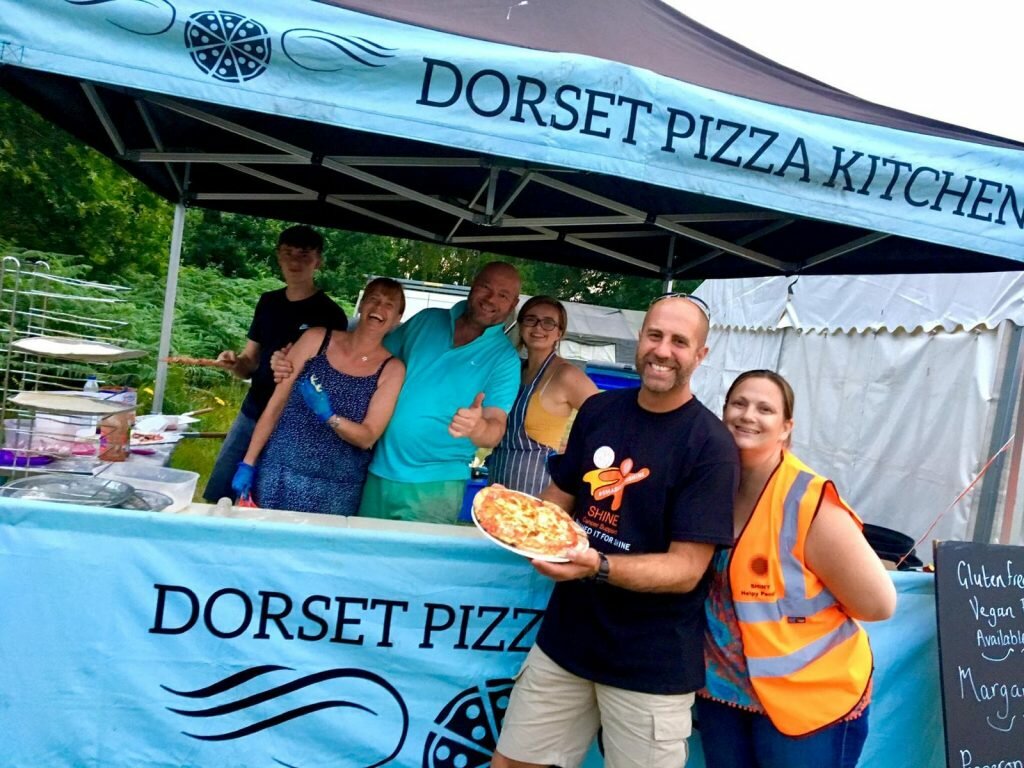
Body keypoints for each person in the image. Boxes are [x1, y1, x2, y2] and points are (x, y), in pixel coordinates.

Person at [492, 294, 739, 768]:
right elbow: (558, 498)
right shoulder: (599, 412)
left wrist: (596, 566)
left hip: (649, 662)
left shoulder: (711, 446)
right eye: (655, 335)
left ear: (700, 355)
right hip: (567, 641)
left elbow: (686, 570)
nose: (663, 350)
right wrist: (527, 527)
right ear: (640, 337)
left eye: (679, 342)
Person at [696, 370, 897, 768]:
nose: (748, 415)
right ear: (723, 413)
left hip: (807, 698)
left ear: (786, 428)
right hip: (724, 693)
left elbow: (878, 604)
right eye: (739, 403)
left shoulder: (808, 499)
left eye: (765, 409)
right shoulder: (711, 483)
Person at [270, 262, 522, 524]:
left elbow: (495, 429)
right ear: (473, 285)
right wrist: (291, 360)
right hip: (378, 468)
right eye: (486, 287)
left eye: (503, 295)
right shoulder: (427, 320)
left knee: (413, 564)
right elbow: (366, 359)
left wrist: (477, 426)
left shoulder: (505, 359)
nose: (491, 299)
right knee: (361, 556)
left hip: (435, 484)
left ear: (513, 302)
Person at [229, 278, 406, 516]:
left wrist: (330, 416)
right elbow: (275, 405)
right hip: (279, 472)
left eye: (389, 304)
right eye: (373, 299)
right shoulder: (316, 339)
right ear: (362, 305)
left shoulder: (392, 369)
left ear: (397, 320)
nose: (378, 308)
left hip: (336, 489)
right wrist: (248, 463)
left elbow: (368, 437)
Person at [202, 225, 348, 503]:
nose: (295, 262)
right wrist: (234, 363)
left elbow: (331, 377)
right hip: (252, 412)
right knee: (220, 494)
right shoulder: (268, 302)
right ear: (278, 257)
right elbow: (250, 362)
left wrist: (294, 366)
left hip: (292, 424)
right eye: (288, 253)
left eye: (304, 255)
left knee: (267, 501)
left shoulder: (330, 315)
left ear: (318, 261)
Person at [486, 295, 598, 496]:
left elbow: (606, 418)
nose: (538, 328)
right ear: (520, 326)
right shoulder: (512, 370)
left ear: (559, 333)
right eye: (531, 319)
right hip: (498, 485)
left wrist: (576, 452)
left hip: (540, 493)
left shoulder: (566, 375)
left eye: (548, 323)